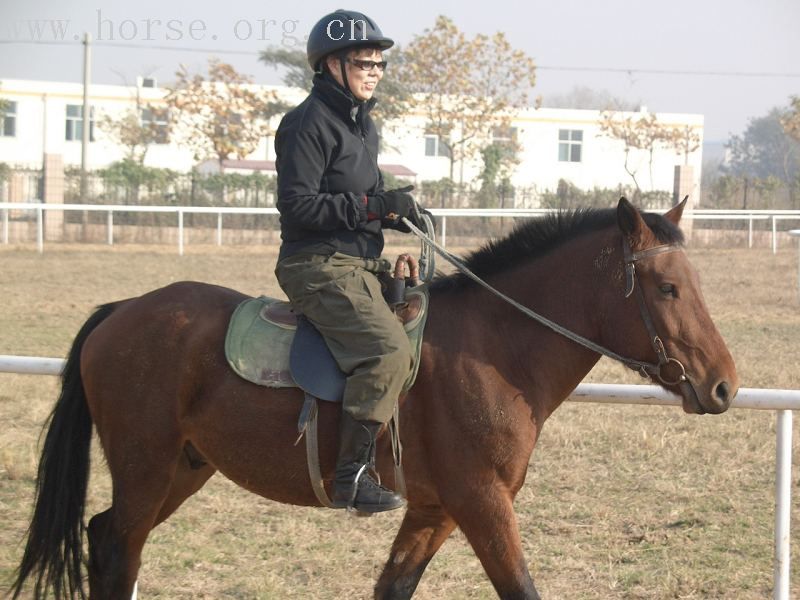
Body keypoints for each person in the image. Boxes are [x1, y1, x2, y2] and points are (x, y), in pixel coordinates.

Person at [273, 10, 428, 513]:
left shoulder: (364, 127)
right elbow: (298, 206)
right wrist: (375, 207)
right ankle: (350, 477)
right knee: (387, 352)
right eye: (364, 62)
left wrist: (399, 211)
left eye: (379, 64)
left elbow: (367, 195)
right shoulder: (305, 125)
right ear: (331, 66)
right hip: (316, 266)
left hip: (358, 263)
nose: (374, 71)